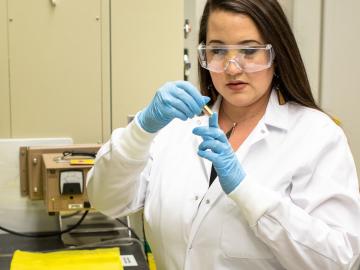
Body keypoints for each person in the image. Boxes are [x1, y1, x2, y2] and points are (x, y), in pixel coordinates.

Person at [87, 0, 360, 269]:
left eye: (249, 51)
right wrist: (141, 130)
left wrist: (246, 192)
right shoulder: (176, 128)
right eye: (217, 50)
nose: (231, 68)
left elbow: (338, 259)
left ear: (277, 55)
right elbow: (106, 200)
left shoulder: (316, 135)